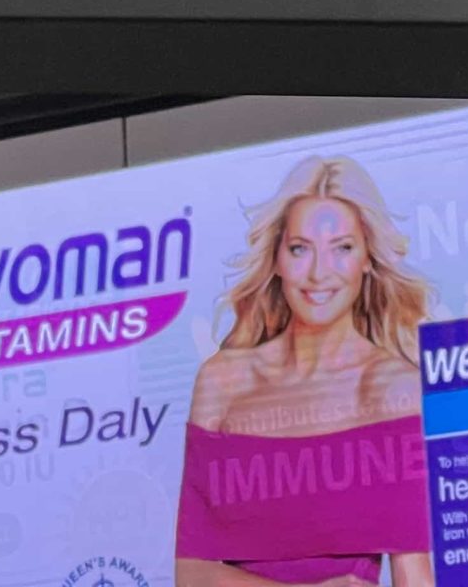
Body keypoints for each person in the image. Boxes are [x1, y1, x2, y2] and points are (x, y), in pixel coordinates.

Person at [172, 156, 434, 587]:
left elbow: (413, 573)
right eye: (300, 249)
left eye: (342, 248)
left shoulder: (393, 390)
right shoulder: (223, 382)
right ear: (276, 258)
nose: (318, 273)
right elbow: (190, 575)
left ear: (367, 258)